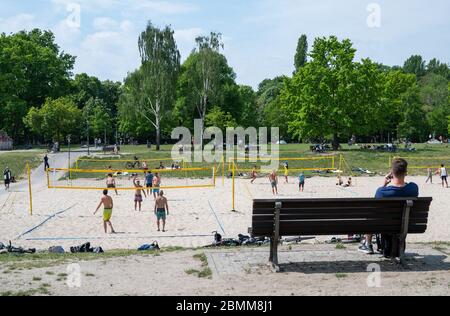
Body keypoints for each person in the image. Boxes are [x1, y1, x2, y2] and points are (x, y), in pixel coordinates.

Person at [359, 158, 419, 255]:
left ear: (391, 173)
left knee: (370, 215)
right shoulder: (413, 188)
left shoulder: (382, 191)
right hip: (405, 225)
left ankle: (368, 244)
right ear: (406, 172)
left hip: (384, 225)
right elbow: (405, 187)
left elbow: (375, 205)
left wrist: (384, 184)